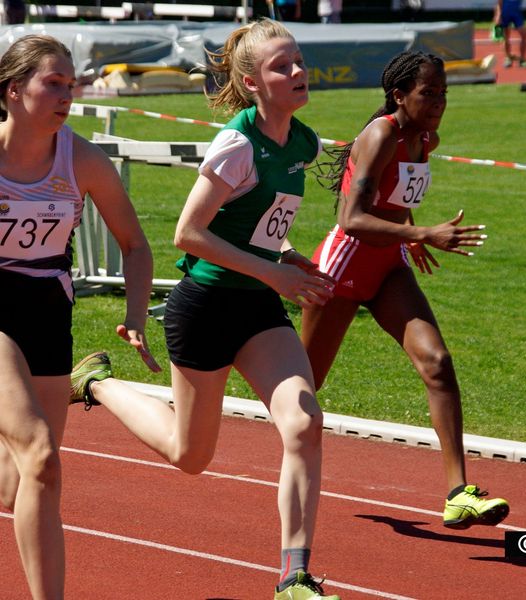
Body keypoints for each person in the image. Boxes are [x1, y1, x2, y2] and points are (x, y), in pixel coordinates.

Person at [70, 19, 340, 600]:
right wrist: (273, 270)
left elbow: (260, 229)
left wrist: (289, 257)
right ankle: (97, 385)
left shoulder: (302, 140)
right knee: (189, 456)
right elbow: (188, 233)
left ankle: (294, 576)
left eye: (298, 61)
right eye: (281, 67)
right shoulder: (238, 144)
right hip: (204, 307)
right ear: (251, 82)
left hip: (258, 308)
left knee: (304, 422)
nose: (297, 72)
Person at [301, 50, 510, 531]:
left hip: (388, 266)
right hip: (345, 267)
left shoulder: (425, 138)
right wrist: (422, 235)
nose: (438, 102)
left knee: (437, 363)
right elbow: (349, 219)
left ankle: (459, 492)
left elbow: (398, 195)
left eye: (443, 93)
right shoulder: (380, 135)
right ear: (399, 94)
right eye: (428, 92)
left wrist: (409, 230)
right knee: (301, 386)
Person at [0, 34, 158, 600]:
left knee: (23, 481)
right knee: (40, 453)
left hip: (47, 310)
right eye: (54, 83)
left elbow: (136, 245)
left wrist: (135, 315)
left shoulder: (82, 158)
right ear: (14, 90)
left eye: (73, 84)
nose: (68, 94)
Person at [494, 0, 526, 68]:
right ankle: (508, 58)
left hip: (516, 13)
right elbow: (499, 2)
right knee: (506, 37)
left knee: (524, 35)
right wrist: (498, 15)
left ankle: (522, 59)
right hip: (505, 13)